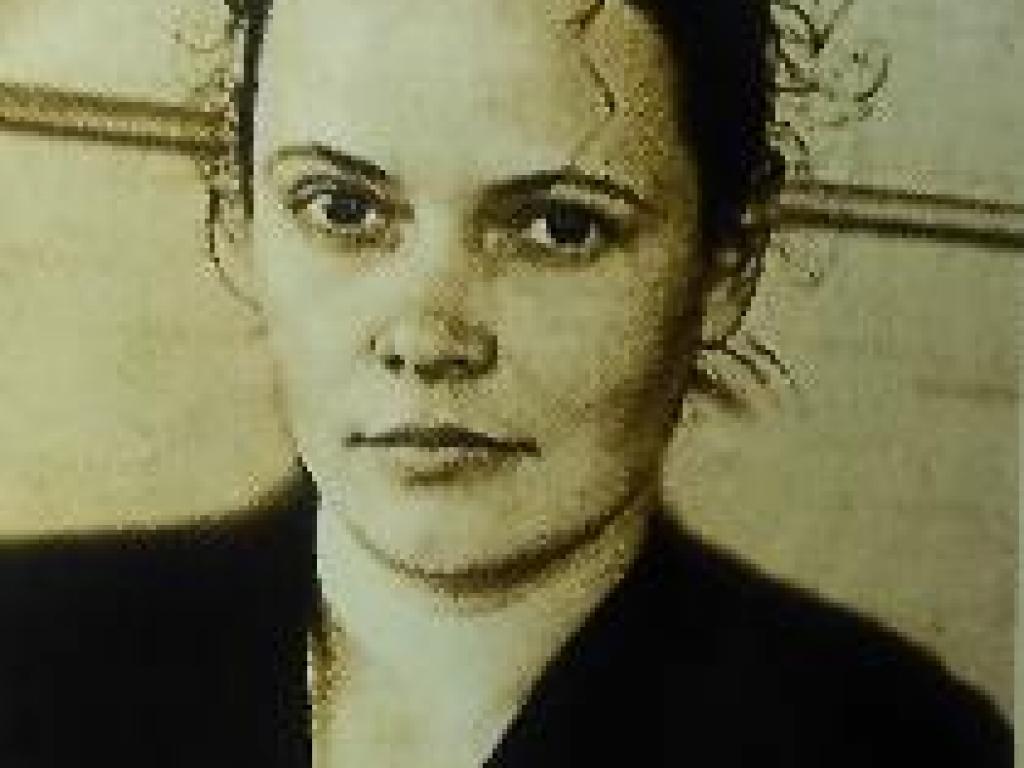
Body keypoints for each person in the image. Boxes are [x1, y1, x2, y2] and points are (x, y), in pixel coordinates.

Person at [206, 0, 1011, 765]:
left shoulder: (891, 748)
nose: (427, 341)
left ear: (725, 265)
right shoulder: (119, 657)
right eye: (342, 210)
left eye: (561, 227)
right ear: (238, 222)